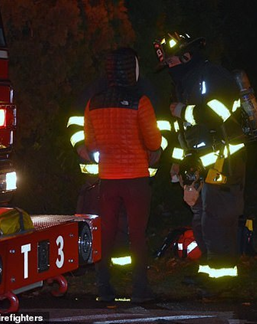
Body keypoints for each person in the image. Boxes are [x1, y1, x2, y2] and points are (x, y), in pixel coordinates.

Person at [153, 32, 257, 297]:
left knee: (217, 220)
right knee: (201, 220)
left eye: (173, 62)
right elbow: (184, 133)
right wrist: (177, 163)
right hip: (203, 164)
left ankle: (223, 280)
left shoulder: (213, 76)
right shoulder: (185, 84)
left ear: (187, 57)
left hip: (225, 161)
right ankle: (210, 271)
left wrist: (182, 111)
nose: (170, 69)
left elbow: (219, 112)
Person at [84, 47, 162, 303]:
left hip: (107, 180)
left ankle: (104, 287)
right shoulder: (141, 102)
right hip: (136, 179)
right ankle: (140, 290)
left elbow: (91, 144)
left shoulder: (93, 104)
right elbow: (153, 141)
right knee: (137, 235)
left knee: (106, 233)